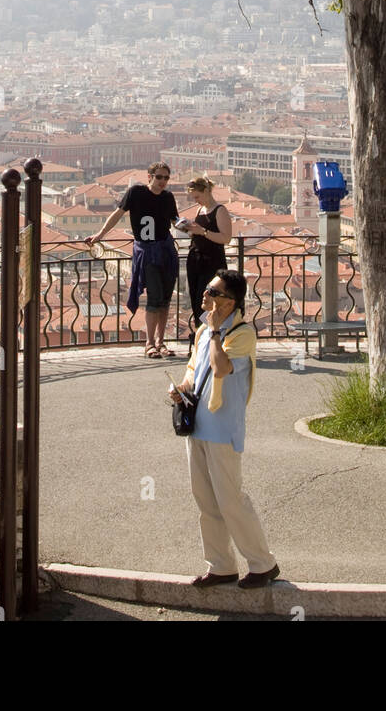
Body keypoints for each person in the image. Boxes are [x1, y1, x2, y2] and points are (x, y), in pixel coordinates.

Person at [169, 269, 279, 589]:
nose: (205, 296)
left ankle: (263, 563)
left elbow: (220, 368)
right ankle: (220, 566)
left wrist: (216, 332)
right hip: (198, 425)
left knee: (231, 500)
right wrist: (180, 389)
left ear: (230, 302)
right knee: (206, 500)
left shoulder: (241, 334)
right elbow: (194, 371)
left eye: (212, 293)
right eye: (206, 290)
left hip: (223, 429)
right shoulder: (203, 332)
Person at [86, 163, 179, 358]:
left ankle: (161, 343)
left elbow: (175, 221)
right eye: (159, 177)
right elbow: (117, 214)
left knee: (165, 299)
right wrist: (100, 235)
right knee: (154, 298)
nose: (162, 181)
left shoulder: (168, 197)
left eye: (166, 178)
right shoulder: (135, 193)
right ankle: (150, 344)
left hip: (166, 251)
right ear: (149, 177)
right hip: (147, 252)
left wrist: (193, 227)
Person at [177, 176, 231, 347]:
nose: (196, 200)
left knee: (210, 299)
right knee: (196, 299)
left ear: (206, 191)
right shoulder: (201, 210)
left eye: (197, 196)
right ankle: (201, 336)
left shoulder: (220, 210)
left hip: (212, 261)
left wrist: (203, 232)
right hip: (196, 259)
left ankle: (211, 338)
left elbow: (226, 238)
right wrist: (190, 229)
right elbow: (199, 232)